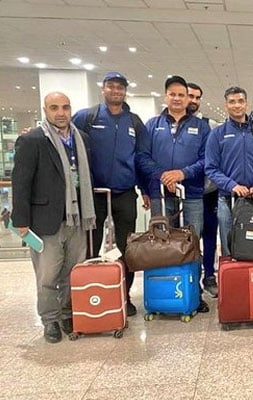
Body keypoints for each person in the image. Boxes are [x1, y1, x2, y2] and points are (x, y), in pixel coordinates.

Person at [12, 92, 96, 343]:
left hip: (78, 218)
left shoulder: (82, 139)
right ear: (45, 110)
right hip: (45, 220)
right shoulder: (32, 140)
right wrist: (21, 221)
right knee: (48, 276)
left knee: (73, 272)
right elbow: (21, 183)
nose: (61, 112)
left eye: (65, 107)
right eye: (54, 107)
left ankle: (68, 313)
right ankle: (50, 320)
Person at [72, 71, 148, 316]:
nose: (116, 91)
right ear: (103, 89)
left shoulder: (134, 122)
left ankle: (124, 295)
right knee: (90, 247)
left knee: (128, 249)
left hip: (125, 193)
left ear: (125, 91)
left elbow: (141, 159)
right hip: (93, 195)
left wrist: (145, 189)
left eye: (120, 87)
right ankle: (91, 293)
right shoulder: (87, 117)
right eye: (111, 86)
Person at [137, 75, 211, 313]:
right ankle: (164, 293)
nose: (178, 99)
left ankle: (194, 294)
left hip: (192, 194)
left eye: (183, 95)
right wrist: (163, 176)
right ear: (165, 96)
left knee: (192, 242)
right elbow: (142, 157)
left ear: (188, 98)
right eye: (173, 94)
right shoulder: (152, 125)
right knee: (161, 242)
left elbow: (207, 160)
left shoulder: (201, 127)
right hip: (160, 193)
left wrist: (182, 173)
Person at [205, 86, 253, 257]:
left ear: (246, 104)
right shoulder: (217, 134)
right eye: (232, 102)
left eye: (240, 101)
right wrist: (232, 185)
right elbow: (211, 168)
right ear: (226, 105)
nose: (236, 105)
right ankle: (232, 278)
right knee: (229, 245)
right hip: (227, 199)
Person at [187, 82, 219, 297]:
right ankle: (190, 278)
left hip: (209, 191)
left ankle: (209, 275)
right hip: (184, 192)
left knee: (209, 234)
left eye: (198, 97)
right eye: (190, 96)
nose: (194, 101)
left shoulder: (210, 125)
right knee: (187, 239)